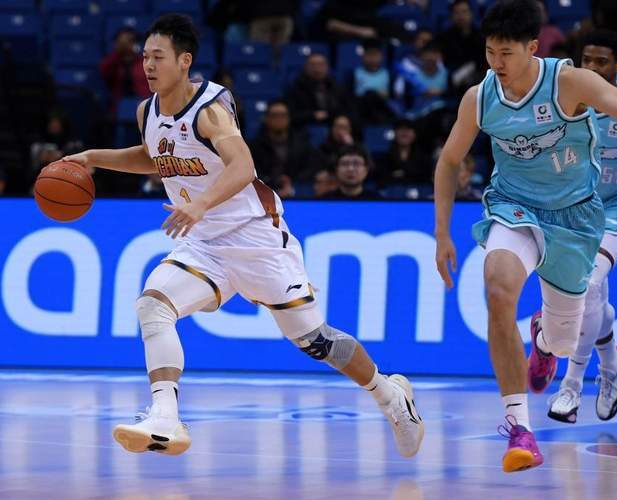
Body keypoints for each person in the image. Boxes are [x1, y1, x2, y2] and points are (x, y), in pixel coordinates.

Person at [64, 14, 423, 458]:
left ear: (184, 61)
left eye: (158, 57)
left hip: (255, 236)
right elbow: (154, 155)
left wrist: (199, 204)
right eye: (145, 57)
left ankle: (390, 396)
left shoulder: (210, 109)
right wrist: (93, 158)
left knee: (315, 341)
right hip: (203, 244)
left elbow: (243, 166)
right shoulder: (146, 111)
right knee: (153, 306)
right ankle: (165, 416)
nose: (148, 66)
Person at [434, 0, 617, 473]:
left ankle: (545, 341)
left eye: (506, 53)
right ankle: (519, 428)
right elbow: (449, 161)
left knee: (566, 342)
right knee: (498, 290)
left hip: (574, 217)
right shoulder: (479, 98)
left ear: (532, 48)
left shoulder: (571, 82)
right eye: (490, 52)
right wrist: (441, 232)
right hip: (514, 208)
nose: (497, 63)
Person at [547, 30, 617, 424]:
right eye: (588, 60)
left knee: (590, 283)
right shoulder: (567, 105)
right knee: (591, 297)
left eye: (603, 61)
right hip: (578, 213)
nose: (594, 68)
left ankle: (571, 387)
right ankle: (614, 364)